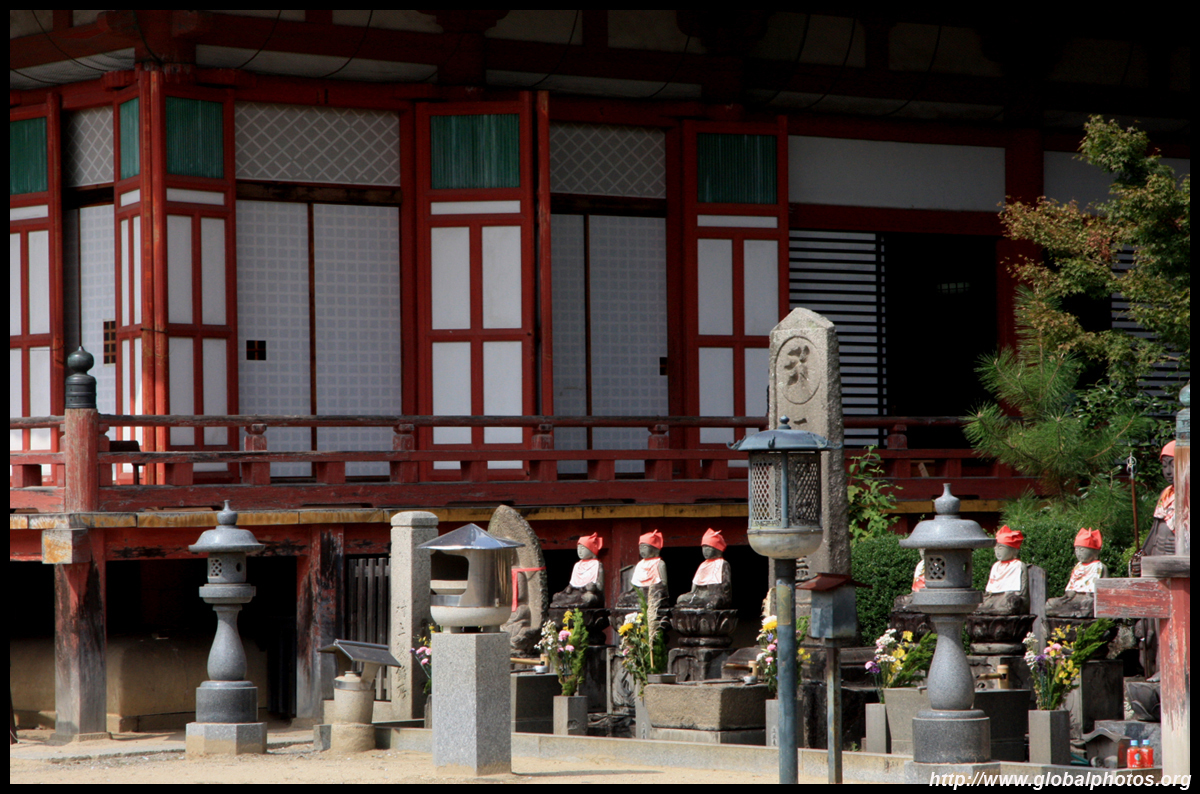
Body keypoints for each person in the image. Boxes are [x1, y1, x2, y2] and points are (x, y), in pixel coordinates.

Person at [676, 528, 733, 609]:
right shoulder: (703, 564)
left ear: (717, 548)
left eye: (708, 547)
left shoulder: (723, 563)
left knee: (716, 600)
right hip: (700, 595)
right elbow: (694, 586)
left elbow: (726, 587)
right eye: (703, 547)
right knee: (681, 598)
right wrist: (693, 593)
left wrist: (717, 593)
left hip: (713, 595)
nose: (704, 550)